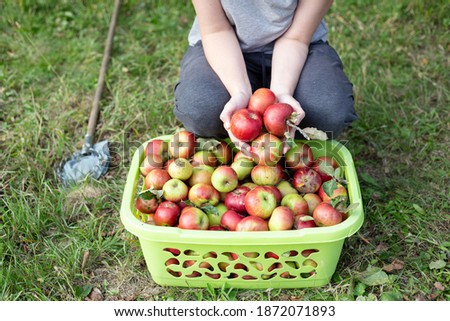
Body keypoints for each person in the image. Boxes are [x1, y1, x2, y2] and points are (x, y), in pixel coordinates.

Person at [173, 0, 357, 151]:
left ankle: (273, 118)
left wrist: (282, 92)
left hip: (299, 44)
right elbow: (216, 30)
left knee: (328, 112)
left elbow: (296, 38)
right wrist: (240, 92)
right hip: (224, 45)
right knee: (200, 109)